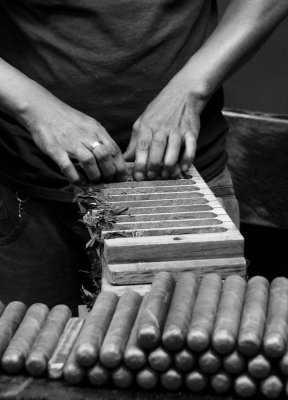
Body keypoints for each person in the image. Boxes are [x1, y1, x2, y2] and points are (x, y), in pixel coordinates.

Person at [0, 1, 287, 314]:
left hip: (184, 188)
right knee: (25, 354)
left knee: (192, 353)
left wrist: (190, 90)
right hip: (29, 198)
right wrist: (35, 108)